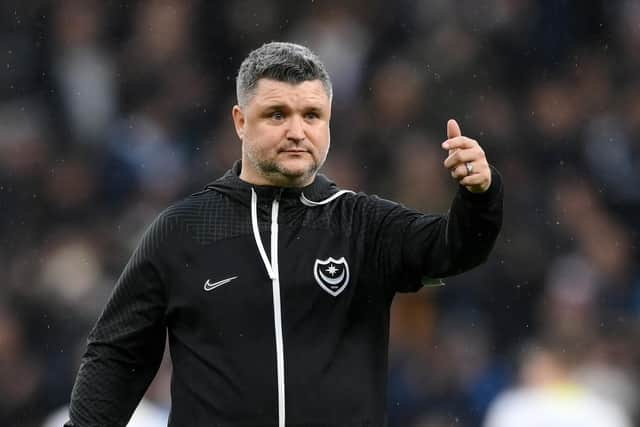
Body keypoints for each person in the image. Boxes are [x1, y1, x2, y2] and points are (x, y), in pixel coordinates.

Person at [66, 42, 503, 427]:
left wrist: (479, 196)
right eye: (277, 114)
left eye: (312, 115)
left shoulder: (363, 225)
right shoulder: (183, 230)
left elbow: (455, 248)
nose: (297, 131)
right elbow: (116, 356)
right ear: (240, 121)